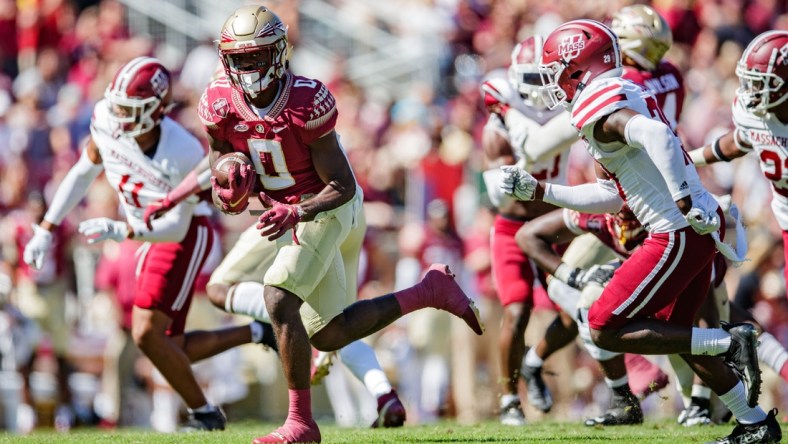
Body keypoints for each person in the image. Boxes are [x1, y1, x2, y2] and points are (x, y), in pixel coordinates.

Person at [145, 6, 482, 443]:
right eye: (239, 58)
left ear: (279, 54)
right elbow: (218, 153)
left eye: (256, 56)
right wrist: (229, 176)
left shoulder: (306, 100)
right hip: (279, 210)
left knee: (279, 296)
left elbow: (341, 185)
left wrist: (297, 211)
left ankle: (301, 424)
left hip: (323, 207)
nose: (247, 68)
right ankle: (428, 291)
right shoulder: (218, 100)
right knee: (326, 333)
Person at [500, 19, 781, 443]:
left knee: (602, 325)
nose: (553, 81)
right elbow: (611, 197)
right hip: (691, 229)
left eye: (558, 69)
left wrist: (683, 196)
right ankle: (756, 423)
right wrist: (543, 190)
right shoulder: (620, 91)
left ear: (578, 67)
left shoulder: (600, 104)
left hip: (675, 232)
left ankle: (729, 343)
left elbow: (656, 137)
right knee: (681, 336)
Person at [21, 57, 277, 432]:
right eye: (118, 105)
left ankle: (206, 415)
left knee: (147, 336)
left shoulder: (182, 149)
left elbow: (174, 227)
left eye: (130, 109)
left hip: (187, 232)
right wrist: (46, 227)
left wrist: (122, 230)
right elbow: (83, 170)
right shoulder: (106, 120)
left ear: (155, 111)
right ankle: (256, 333)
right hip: (143, 231)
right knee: (163, 343)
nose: (119, 114)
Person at [479, 35, 579, 425]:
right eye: (533, 80)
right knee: (517, 311)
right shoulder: (497, 127)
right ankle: (508, 398)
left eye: (547, 79)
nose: (542, 90)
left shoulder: (570, 107)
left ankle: (535, 362)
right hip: (513, 226)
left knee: (576, 312)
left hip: (555, 222)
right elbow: (503, 196)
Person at [689, 30, 788, 297]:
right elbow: (736, 143)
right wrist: (689, 159)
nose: (752, 91)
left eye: (762, 83)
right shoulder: (757, 116)